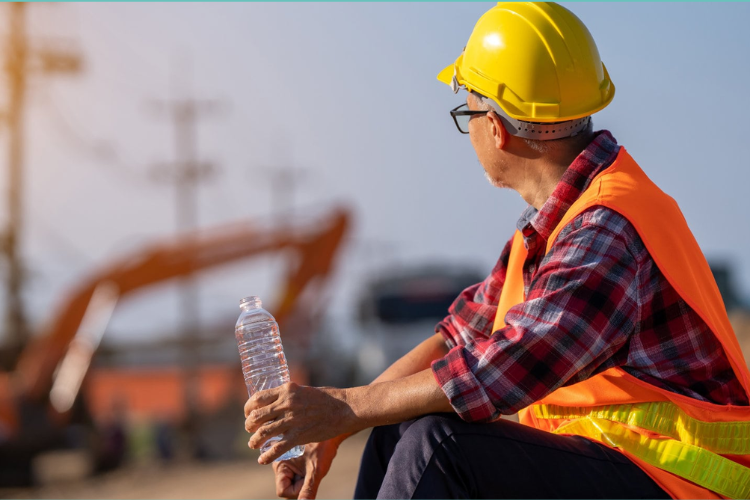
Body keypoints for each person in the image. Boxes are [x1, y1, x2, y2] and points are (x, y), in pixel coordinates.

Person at [244, 3, 750, 498]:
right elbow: (456, 340)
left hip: (684, 482)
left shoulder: (605, 230)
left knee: (437, 447)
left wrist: (348, 404)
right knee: (396, 429)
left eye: (469, 112)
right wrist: (340, 424)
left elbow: (503, 371)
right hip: (626, 469)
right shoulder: (553, 230)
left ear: (496, 127)